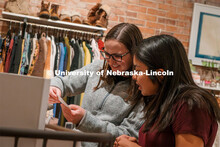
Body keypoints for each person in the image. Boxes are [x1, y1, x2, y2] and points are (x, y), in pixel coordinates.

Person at [114, 34, 220, 147]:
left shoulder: (190, 105)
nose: (134, 76)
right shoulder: (164, 101)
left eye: (139, 71)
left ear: (160, 74)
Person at [48, 23, 144, 146]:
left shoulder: (143, 87)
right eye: (107, 54)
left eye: (117, 56)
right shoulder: (97, 68)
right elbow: (63, 81)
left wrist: (85, 120)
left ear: (134, 52)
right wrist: (56, 87)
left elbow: (127, 136)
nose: (111, 61)